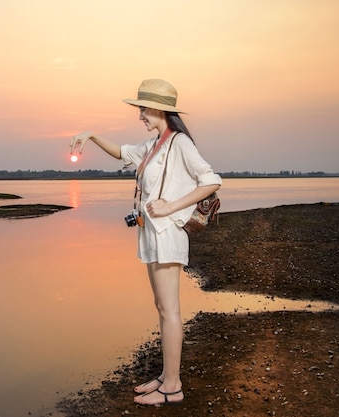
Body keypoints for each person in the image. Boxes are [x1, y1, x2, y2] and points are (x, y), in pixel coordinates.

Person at [70, 79, 222, 406]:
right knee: (162, 308)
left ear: (159, 109)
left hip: (167, 234)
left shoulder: (180, 143)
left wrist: (170, 205)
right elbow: (121, 153)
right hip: (151, 233)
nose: (140, 114)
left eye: (143, 108)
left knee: (170, 311)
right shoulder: (155, 145)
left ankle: (173, 387)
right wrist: (92, 136)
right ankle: (166, 377)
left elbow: (211, 180)